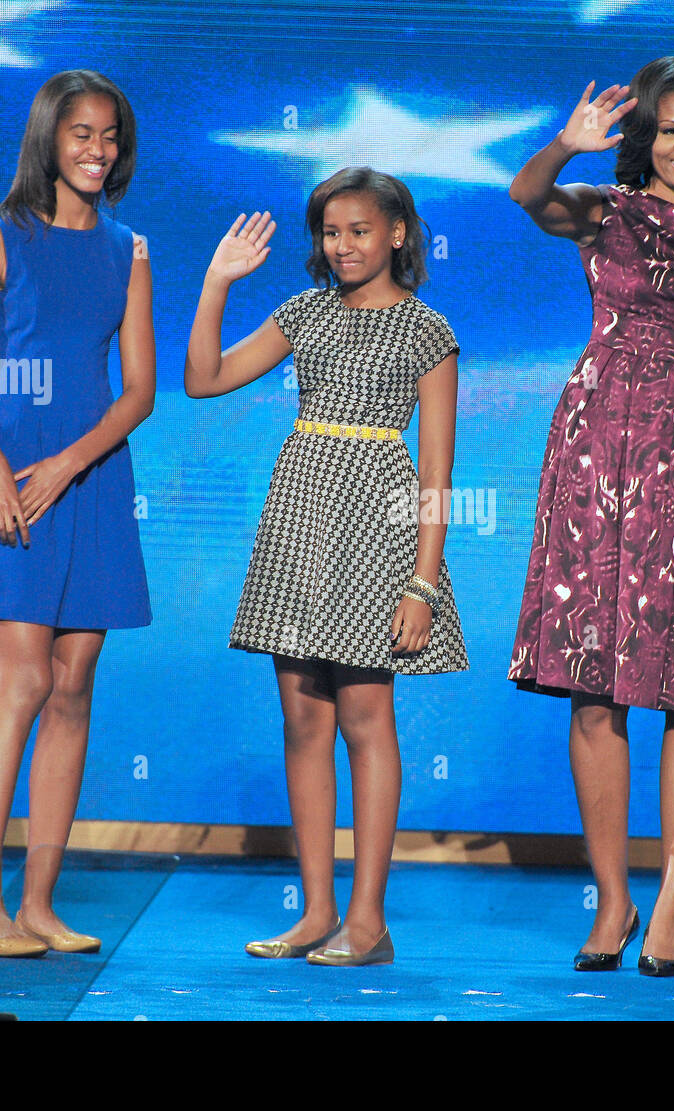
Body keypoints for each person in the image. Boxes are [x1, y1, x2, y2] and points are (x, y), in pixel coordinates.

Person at [507, 59, 674, 976]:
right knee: (595, 687)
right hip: (598, 456)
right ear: (644, 139)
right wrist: (564, 143)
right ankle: (612, 899)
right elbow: (527, 195)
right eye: (667, 129)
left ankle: (670, 901)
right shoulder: (610, 210)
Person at [185, 167, 467, 967]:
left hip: (378, 531)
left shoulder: (426, 330)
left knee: (365, 721)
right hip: (300, 521)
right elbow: (201, 379)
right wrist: (217, 281)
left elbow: (438, 474)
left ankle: (368, 921)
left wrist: (422, 580)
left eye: (360, 231)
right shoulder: (303, 313)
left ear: (398, 235)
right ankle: (315, 912)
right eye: (331, 232)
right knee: (303, 721)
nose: (343, 246)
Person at [0, 70, 155, 957]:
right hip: (8, 476)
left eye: (111, 136)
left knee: (71, 686)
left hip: (88, 476)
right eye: (82, 133)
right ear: (49, 139)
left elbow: (138, 393)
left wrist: (67, 464)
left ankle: (40, 903)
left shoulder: (129, 249)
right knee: (18, 679)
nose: (97, 150)